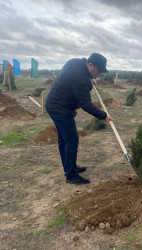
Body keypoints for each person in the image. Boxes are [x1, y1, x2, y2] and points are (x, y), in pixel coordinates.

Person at [45, 53, 112, 185]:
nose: (98, 75)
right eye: (98, 71)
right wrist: (104, 116)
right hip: (60, 108)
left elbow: (80, 77)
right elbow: (86, 104)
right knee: (71, 140)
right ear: (91, 65)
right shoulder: (81, 79)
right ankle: (71, 175)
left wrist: (90, 78)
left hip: (55, 104)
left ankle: (70, 167)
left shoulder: (77, 62)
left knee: (64, 140)